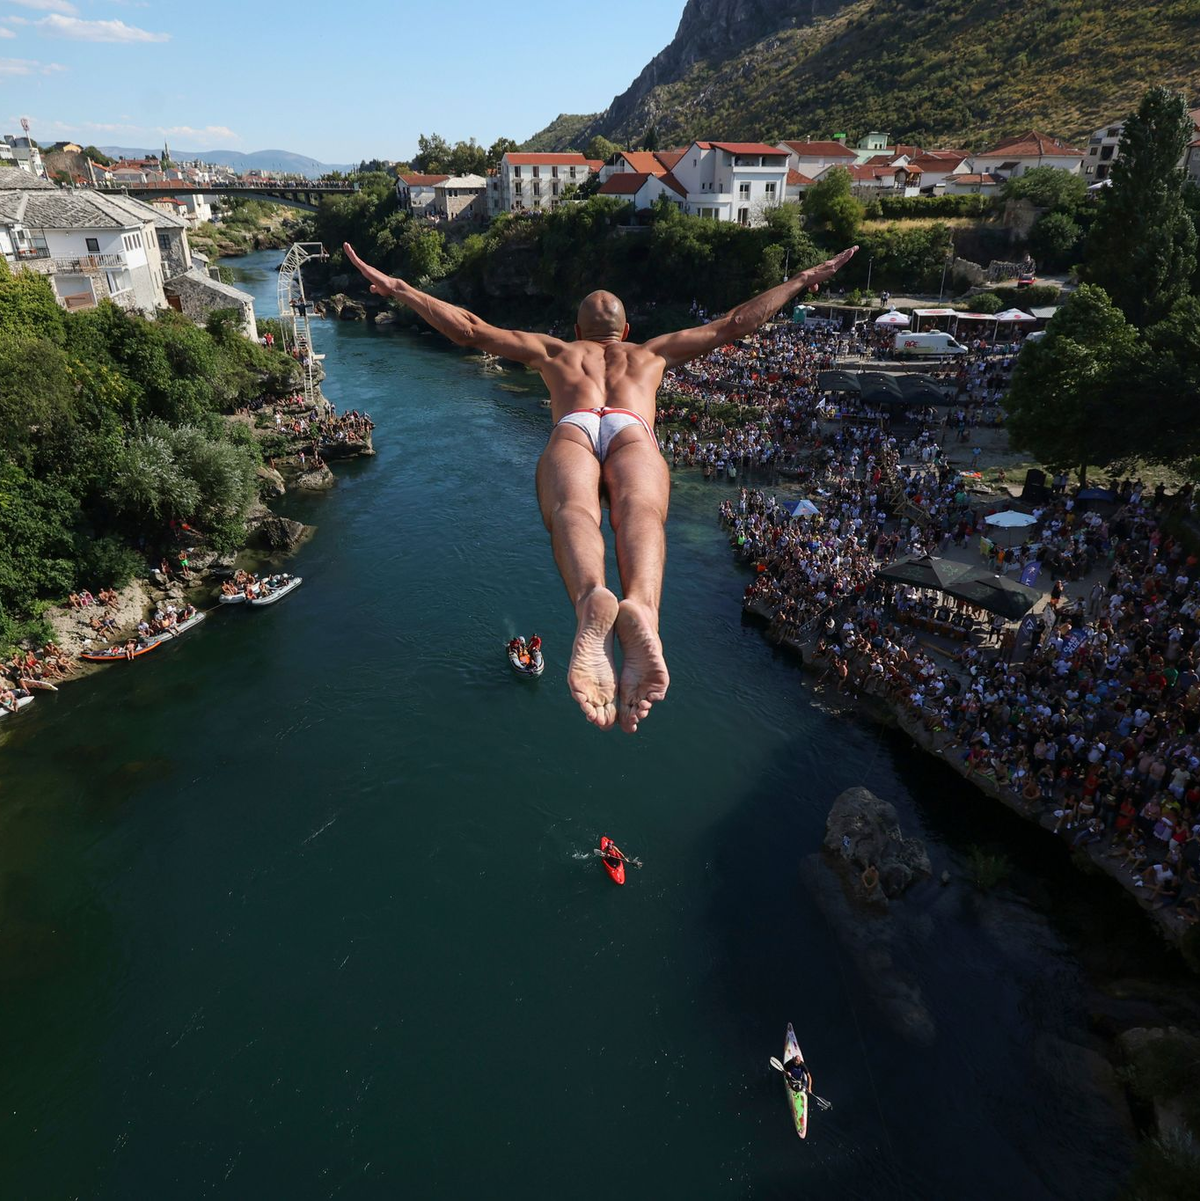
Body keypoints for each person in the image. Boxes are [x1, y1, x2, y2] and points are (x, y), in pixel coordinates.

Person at [345, 240, 858, 732]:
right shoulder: (652, 353)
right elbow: (736, 323)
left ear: (577, 329)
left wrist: (402, 289)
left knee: (572, 510)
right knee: (639, 510)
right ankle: (642, 608)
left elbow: (470, 330)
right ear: (627, 328)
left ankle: (593, 595)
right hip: (632, 426)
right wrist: (802, 279)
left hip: (575, 424)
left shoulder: (555, 351)